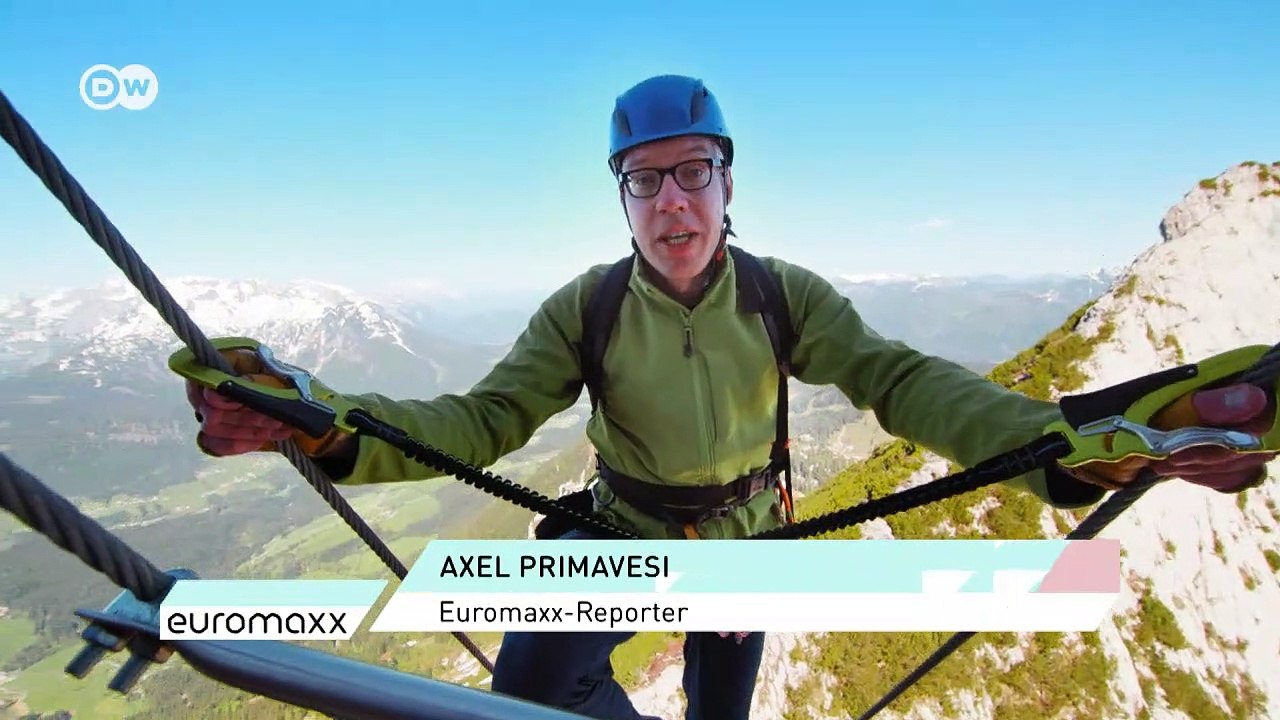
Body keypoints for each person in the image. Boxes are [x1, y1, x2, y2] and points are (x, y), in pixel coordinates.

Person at [186, 75, 1276, 720]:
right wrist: (327, 427)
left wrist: (1053, 443)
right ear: (622, 199)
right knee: (528, 692)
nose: (672, 201)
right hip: (621, 534)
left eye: (692, 171)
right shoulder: (585, 310)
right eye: (644, 178)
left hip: (751, 545)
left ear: (726, 181)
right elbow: (478, 423)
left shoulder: (781, 296)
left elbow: (898, 380)